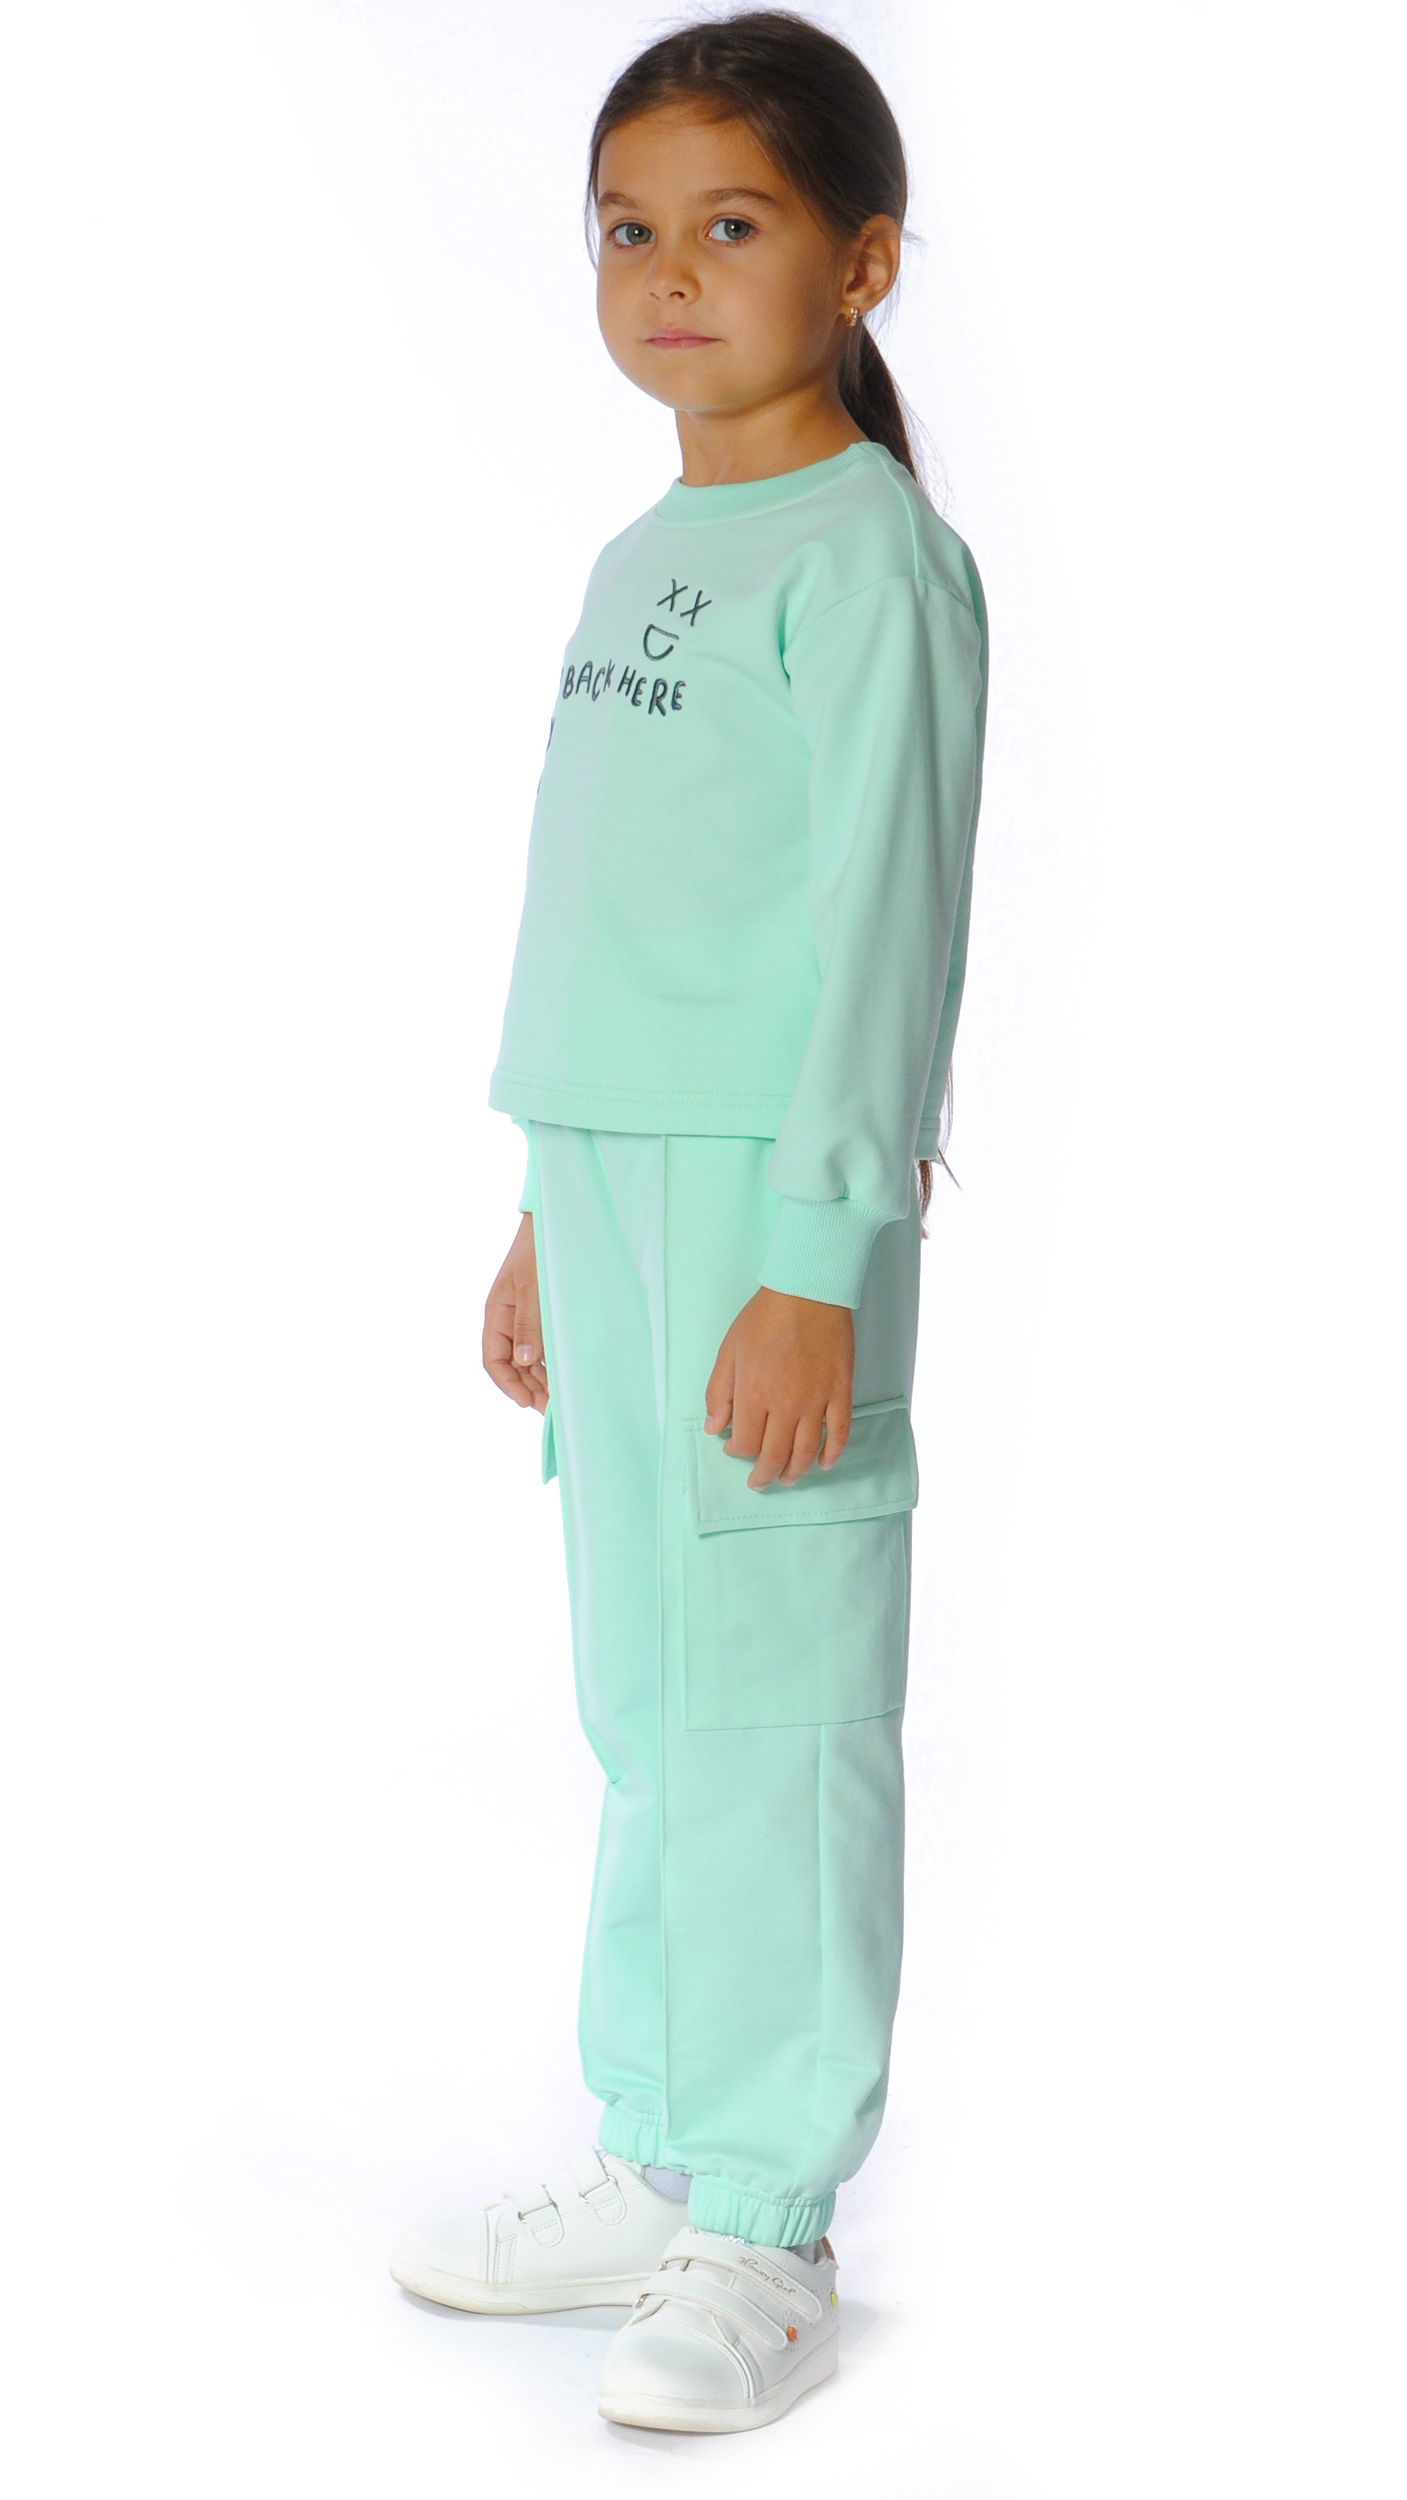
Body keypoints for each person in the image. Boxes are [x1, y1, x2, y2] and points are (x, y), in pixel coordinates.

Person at [390, 9, 989, 2437]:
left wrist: (812, 1262)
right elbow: (621, 911)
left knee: (772, 1699)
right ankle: (655, 2144)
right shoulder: (643, 553)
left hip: (765, 1206)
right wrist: (543, 1210)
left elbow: (880, 936)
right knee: (645, 1688)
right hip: (606, 1178)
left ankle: (767, 2211)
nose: (664, 272)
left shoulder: (872, 562)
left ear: (858, 262)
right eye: (626, 229)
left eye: (728, 224)